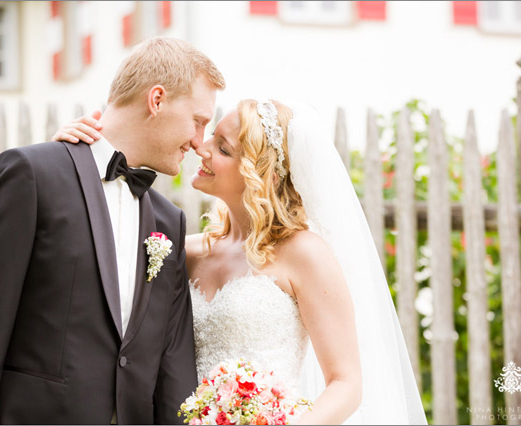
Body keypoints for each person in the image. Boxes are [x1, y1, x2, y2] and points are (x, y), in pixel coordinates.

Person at [55, 99, 428, 424]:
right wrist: (75, 157)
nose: (201, 149)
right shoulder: (185, 250)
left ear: (258, 174)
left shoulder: (304, 254)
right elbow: (98, 252)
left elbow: (346, 384)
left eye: (223, 147)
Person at [0, 37, 225, 425]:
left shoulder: (169, 222)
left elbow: (172, 367)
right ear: (156, 100)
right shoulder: (31, 176)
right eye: (198, 121)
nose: (198, 142)